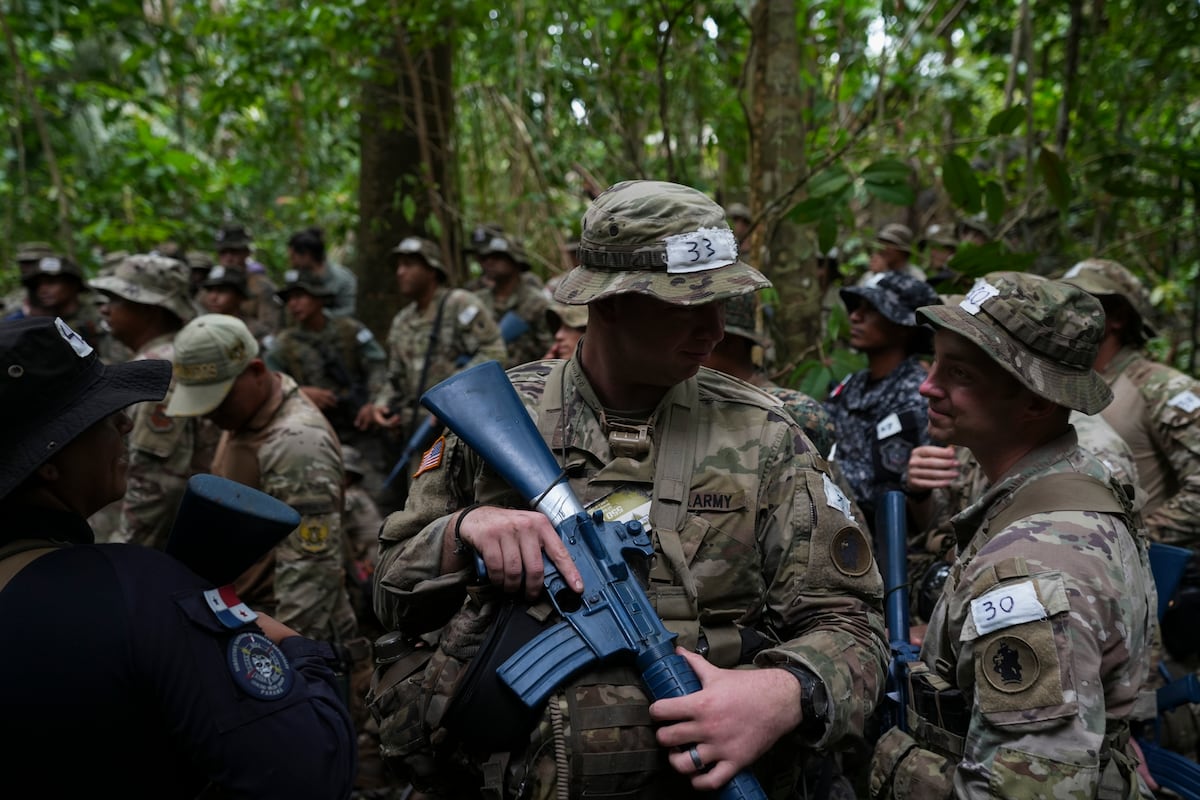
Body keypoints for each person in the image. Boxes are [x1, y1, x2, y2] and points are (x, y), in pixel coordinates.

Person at [371, 180, 888, 798]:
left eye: (722, 302)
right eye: (686, 305)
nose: (715, 329)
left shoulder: (766, 437)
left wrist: (781, 694)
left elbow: (854, 626)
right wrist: (460, 534)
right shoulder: (496, 419)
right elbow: (387, 592)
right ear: (609, 301)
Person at [0, 316, 355, 798]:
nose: (126, 423)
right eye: (98, 417)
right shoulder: (139, 594)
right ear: (47, 462)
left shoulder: (121, 590)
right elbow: (310, 769)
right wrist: (293, 649)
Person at [869, 272, 1156, 799]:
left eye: (959, 373)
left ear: (1037, 403)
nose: (927, 386)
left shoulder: (1034, 571)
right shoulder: (1065, 476)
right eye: (935, 362)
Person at [166, 314, 360, 647]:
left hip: (281, 629)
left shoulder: (296, 443)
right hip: (246, 616)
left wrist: (289, 656)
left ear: (256, 371)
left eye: (219, 399)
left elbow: (309, 574)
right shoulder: (245, 417)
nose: (209, 413)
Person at [1061, 258, 1200, 549]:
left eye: (1079, 301)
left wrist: (1134, 540)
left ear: (1118, 317)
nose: (1062, 310)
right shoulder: (1058, 384)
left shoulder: (1161, 387)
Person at [89, 254, 219, 548]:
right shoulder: (166, 358)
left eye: (118, 300)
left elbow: (157, 484)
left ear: (149, 309)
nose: (105, 309)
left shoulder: (159, 370)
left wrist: (121, 553)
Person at [824, 271, 941, 525]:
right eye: (857, 308)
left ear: (903, 326)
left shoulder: (916, 394)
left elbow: (889, 492)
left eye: (872, 310)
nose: (855, 316)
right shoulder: (853, 385)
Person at [266, 269, 387, 492]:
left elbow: (377, 365)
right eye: (289, 299)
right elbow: (269, 383)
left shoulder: (349, 330)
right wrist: (301, 392)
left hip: (358, 426)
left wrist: (374, 403)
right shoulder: (284, 343)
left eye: (300, 296)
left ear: (319, 298)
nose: (293, 304)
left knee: (377, 491)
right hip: (312, 432)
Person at [470, 228, 552, 367]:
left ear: (516, 261)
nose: (489, 262)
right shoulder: (477, 300)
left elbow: (549, 348)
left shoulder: (536, 302)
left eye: (497, 257)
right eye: (486, 257)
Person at [8, 242, 109, 354]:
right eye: (38, 284)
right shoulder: (34, 318)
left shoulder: (100, 316)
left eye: (51, 282)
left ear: (73, 284)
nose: (42, 290)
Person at [215, 223, 282, 333]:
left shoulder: (261, 286)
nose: (228, 258)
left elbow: (271, 329)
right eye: (223, 253)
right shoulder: (212, 285)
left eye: (234, 252)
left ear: (246, 253)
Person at [287, 226, 358, 319]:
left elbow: (351, 310)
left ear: (306, 255)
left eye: (293, 257)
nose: (291, 262)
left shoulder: (343, 279)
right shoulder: (300, 277)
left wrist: (319, 314)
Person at [199, 263, 274, 347]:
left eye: (222, 291)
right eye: (210, 291)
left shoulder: (256, 333)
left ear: (240, 296)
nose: (213, 297)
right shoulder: (200, 327)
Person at [860, 223, 924, 283]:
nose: (883, 248)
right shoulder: (871, 274)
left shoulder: (916, 276)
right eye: (881, 243)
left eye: (889, 244)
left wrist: (884, 275)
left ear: (902, 252)